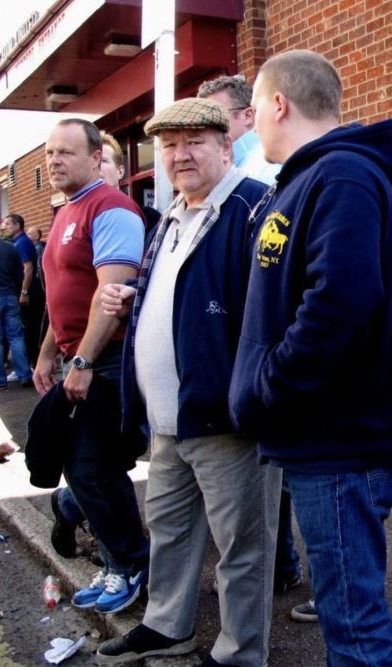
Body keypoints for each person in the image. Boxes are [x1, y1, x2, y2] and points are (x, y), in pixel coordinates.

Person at [228, 49, 392, 666]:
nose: (251, 122)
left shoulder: (341, 176)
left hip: (340, 443)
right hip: (323, 438)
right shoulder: (310, 177)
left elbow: (341, 304)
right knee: (347, 613)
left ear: (279, 103)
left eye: (254, 107)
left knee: (353, 625)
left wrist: (268, 387)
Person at [94, 98, 278, 666]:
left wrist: (250, 396)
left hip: (225, 420)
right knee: (169, 530)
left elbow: (270, 311)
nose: (181, 155)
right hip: (169, 418)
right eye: (170, 145)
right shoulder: (172, 214)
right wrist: (133, 299)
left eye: (195, 142)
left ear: (226, 146)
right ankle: (167, 626)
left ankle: (240, 652)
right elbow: (187, 294)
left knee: (242, 546)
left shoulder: (254, 208)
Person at [34, 118, 149, 615]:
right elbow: (63, 295)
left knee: (94, 466)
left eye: (66, 152)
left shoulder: (111, 209)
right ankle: (112, 551)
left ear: (96, 157)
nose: (54, 161)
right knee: (83, 465)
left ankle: (130, 564)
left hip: (108, 360)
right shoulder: (67, 211)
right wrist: (48, 352)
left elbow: (111, 296)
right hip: (80, 357)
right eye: (49, 153)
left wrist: (82, 360)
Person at [197, 72, 304, 602]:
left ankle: (293, 568)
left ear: (247, 115)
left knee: (289, 469)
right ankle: (282, 565)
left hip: (271, 348)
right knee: (267, 467)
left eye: (217, 117)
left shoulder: (268, 172)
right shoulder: (230, 172)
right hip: (242, 344)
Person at [197, 74, 280, 184]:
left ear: (248, 116)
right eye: (202, 119)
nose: (206, 125)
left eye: (215, 115)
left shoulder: (268, 167)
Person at [0, 217, 32, 390]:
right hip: (10, 295)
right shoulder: (10, 248)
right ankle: (25, 375)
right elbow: (19, 274)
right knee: (16, 337)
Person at [0, 213, 44, 365]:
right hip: (24, 291)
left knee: (31, 328)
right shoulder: (16, 242)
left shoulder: (22, 243)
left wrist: (24, 292)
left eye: (7, 224)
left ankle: (35, 364)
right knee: (28, 329)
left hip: (30, 293)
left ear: (17, 226)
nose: (4, 227)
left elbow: (28, 268)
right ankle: (32, 363)